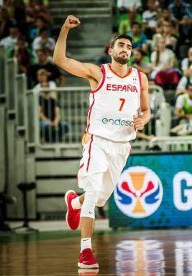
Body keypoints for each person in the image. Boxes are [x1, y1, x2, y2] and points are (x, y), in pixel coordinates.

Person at [53, 15, 150, 269]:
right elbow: (60, 60)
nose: (125, 49)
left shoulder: (140, 78)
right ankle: (85, 251)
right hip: (97, 141)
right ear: (111, 50)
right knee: (94, 190)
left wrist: (143, 120)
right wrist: (65, 29)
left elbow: (146, 110)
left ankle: (75, 202)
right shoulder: (98, 73)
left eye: (129, 47)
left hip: (122, 146)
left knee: (98, 198)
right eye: (121, 45)